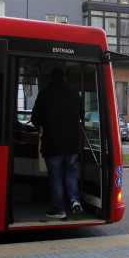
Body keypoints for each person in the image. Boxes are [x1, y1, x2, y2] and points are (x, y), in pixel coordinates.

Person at [31, 67, 84, 219]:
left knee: (56, 177)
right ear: (65, 78)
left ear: (50, 79)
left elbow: (35, 119)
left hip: (53, 143)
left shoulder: (45, 94)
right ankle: (75, 200)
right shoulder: (74, 94)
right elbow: (82, 114)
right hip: (72, 143)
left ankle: (60, 210)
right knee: (71, 171)